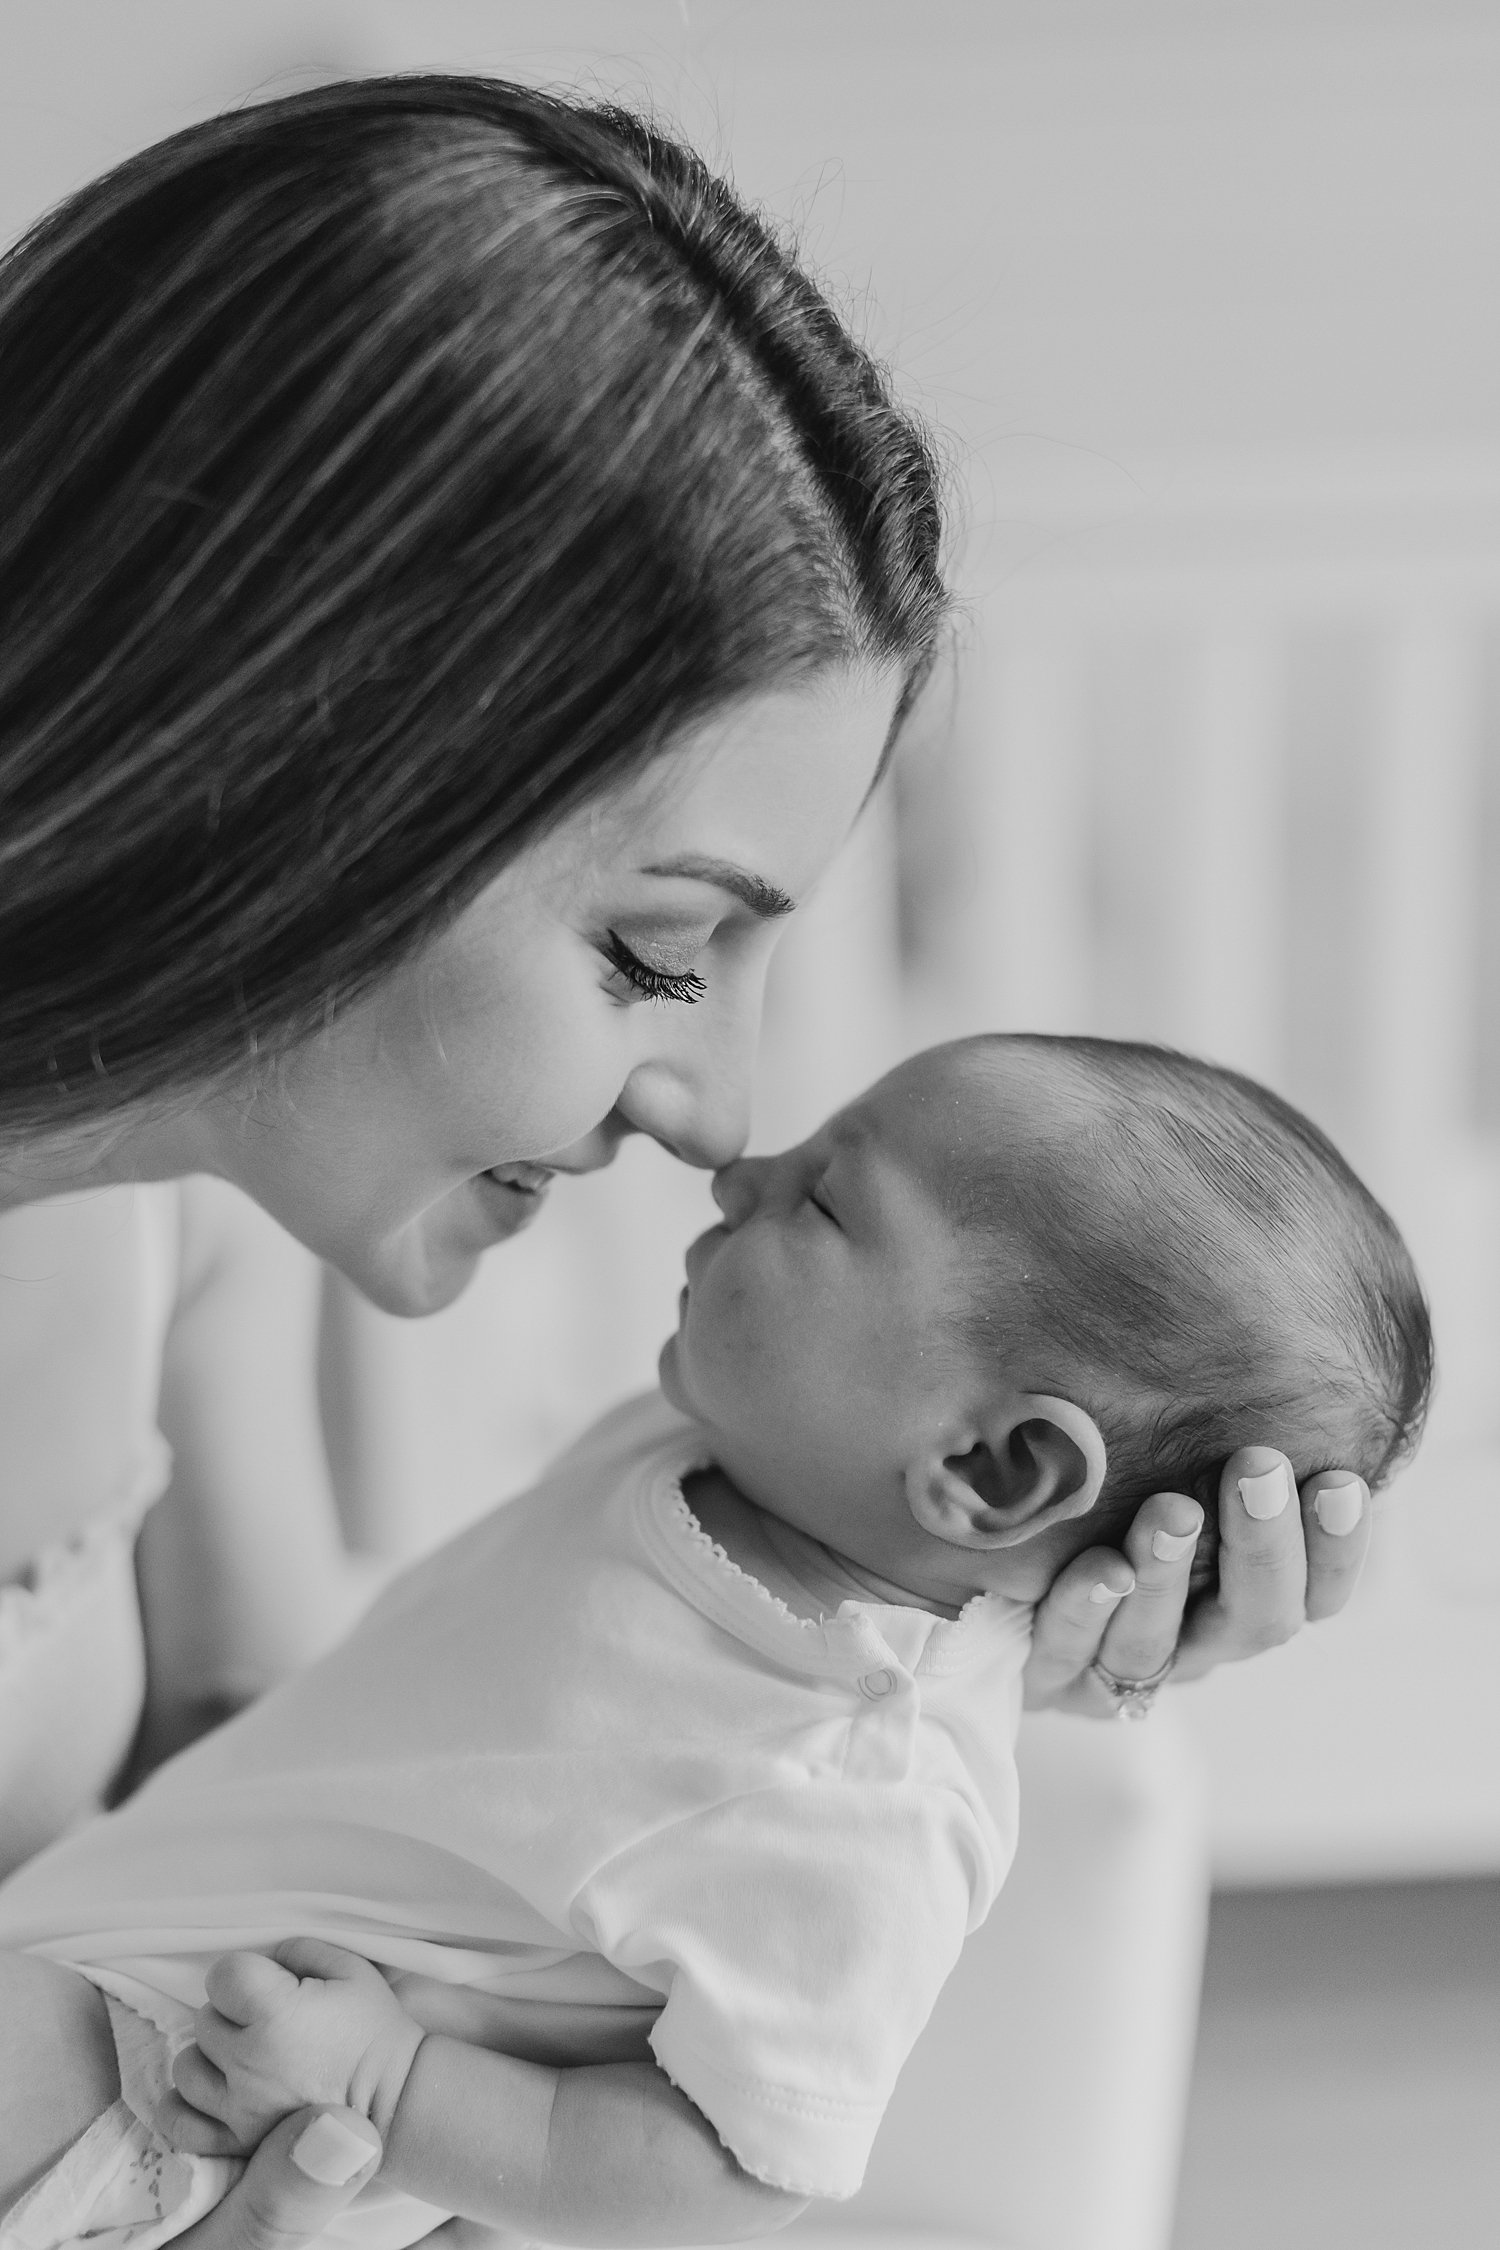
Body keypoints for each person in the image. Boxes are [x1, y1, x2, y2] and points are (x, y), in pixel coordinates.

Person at [0, 72, 1371, 2241]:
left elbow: (261, 1768)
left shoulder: (175, 1225)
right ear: (288, 790)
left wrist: (919, 1621)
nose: (719, 1118)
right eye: (657, 952)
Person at [0, 1033, 1428, 2246]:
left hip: (190, 2081)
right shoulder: (706, 1460)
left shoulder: (857, 1788)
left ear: (990, 1470)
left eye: (822, 1197)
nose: (736, 1167)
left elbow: (737, 2164)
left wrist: (389, 2088)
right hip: (111, 1937)